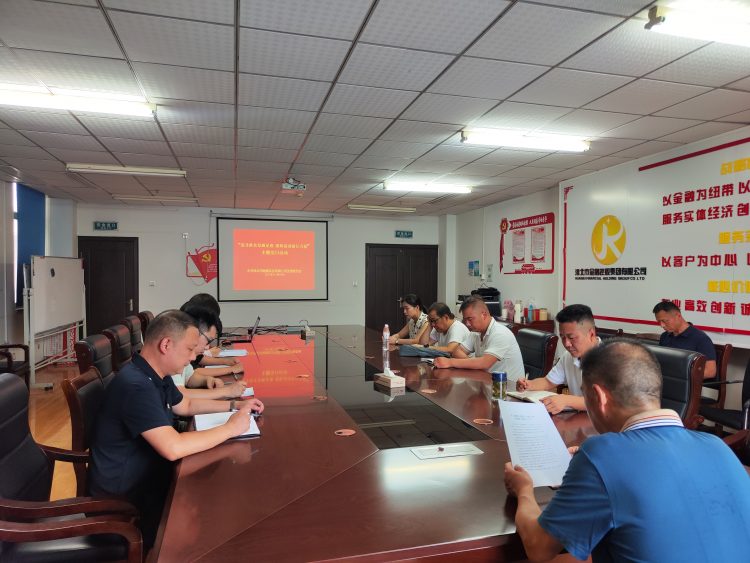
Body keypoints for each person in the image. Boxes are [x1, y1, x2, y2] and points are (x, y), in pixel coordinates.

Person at [504, 339, 750, 562]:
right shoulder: (717, 446)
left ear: (599, 397)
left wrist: (524, 490)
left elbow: (538, 548)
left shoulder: (600, 454)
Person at [89, 310, 265, 547]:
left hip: (149, 482)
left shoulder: (153, 374)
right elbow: (173, 448)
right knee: (214, 518)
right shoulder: (135, 386)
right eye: (190, 349)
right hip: (126, 509)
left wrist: (235, 405)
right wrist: (231, 429)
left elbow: (186, 405)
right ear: (166, 345)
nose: (193, 357)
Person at [515, 304, 599, 414]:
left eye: (572, 337)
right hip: (579, 418)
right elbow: (548, 382)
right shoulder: (568, 356)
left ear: (591, 334)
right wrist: (529, 385)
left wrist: (566, 400)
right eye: (562, 337)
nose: (567, 344)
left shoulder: (610, 359)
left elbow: (600, 402)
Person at [433, 296, 524, 379]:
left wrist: (450, 362)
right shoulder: (475, 332)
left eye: (470, 319)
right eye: (465, 320)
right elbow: (457, 351)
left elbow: (485, 363)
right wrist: (473, 364)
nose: (467, 324)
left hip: (508, 387)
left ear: (483, 314)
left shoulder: (500, 333)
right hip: (487, 381)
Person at [174, 305, 247, 400]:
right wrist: (227, 391)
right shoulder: (174, 353)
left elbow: (190, 376)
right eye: (208, 341)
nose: (207, 348)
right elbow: (179, 396)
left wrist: (206, 380)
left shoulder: (185, 353)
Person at [653, 300, 716, 379]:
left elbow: (710, 372)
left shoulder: (700, 338)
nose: (662, 325)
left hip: (684, 382)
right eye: (659, 322)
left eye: (665, 321)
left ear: (678, 316)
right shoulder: (664, 336)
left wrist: (679, 375)